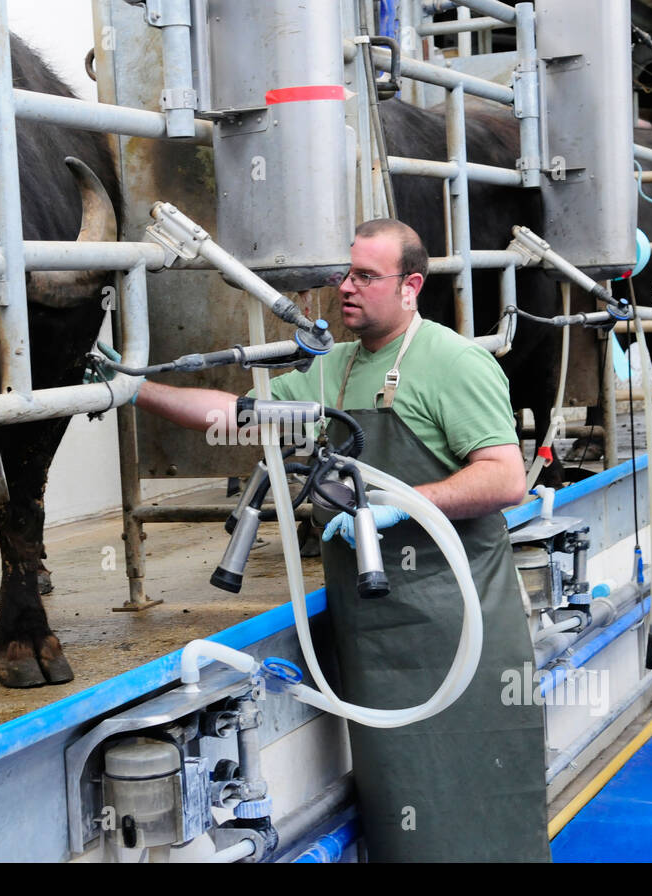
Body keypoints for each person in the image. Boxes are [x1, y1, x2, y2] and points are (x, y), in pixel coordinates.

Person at [134, 219, 550, 862]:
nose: (345, 288)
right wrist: (135, 388)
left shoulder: (452, 361)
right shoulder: (333, 371)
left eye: (364, 276)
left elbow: (505, 478)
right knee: (403, 809)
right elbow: (238, 417)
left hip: (456, 625)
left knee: (477, 797)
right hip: (377, 636)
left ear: (411, 285)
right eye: (342, 274)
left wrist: (402, 507)